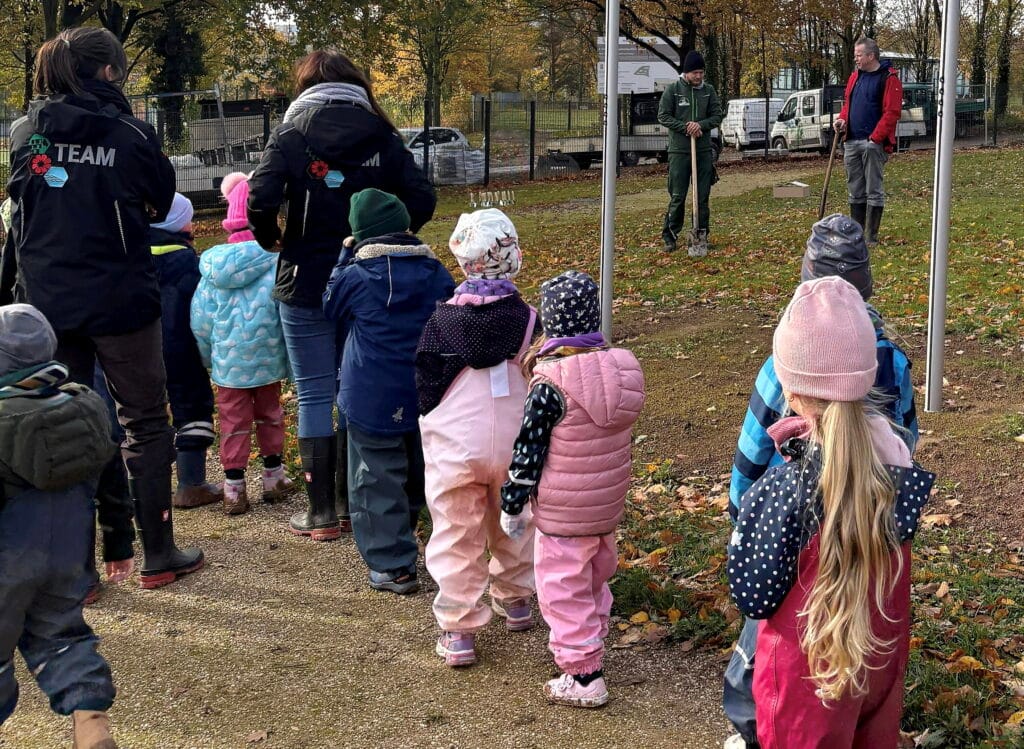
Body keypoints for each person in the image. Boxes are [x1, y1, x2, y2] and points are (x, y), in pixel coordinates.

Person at [2, 27, 203, 589]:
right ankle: (158, 553)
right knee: (145, 419)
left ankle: (79, 570)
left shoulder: (25, 131)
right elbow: (162, 200)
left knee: (61, 421)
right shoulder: (130, 133)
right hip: (121, 297)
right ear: (110, 72)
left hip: (48, 300)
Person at [723, 215, 918, 748]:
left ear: (792, 388)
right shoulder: (902, 470)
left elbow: (754, 593)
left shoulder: (783, 491)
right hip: (876, 627)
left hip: (802, 647)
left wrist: (743, 518)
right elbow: (910, 432)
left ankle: (747, 732)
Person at [248, 49, 436, 541]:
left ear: (305, 86)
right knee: (357, 384)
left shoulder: (290, 134)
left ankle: (321, 513)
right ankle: (357, 502)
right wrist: (393, 238)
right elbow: (423, 197)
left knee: (314, 391)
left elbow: (260, 198)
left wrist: (272, 239)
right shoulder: (382, 135)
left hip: (304, 276)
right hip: (371, 280)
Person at [500, 271, 645, 708]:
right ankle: (592, 638)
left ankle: (584, 676)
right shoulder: (622, 371)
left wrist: (513, 502)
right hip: (605, 504)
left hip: (563, 512)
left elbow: (529, 449)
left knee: (563, 589)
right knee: (595, 577)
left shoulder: (550, 384)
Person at [417, 209, 538, 667]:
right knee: (516, 518)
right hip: (514, 442)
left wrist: (430, 413)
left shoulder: (440, 321)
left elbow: (426, 377)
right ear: (513, 257)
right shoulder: (528, 320)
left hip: (455, 444)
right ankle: (518, 599)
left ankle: (459, 629)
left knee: (455, 532)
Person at [0, 304, 120, 749]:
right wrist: (119, 541)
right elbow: (113, 476)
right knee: (63, 638)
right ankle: (91, 723)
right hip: (68, 551)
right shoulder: (86, 405)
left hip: (8, 558)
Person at [323, 188, 454, 591]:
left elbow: (330, 305)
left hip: (370, 391)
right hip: (424, 386)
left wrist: (344, 256)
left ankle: (392, 562)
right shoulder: (435, 273)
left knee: (375, 476)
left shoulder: (356, 276)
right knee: (416, 465)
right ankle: (409, 533)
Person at [191, 172, 292, 516]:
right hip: (268, 359)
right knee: (270, 415)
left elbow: (201, 320)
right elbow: (285, 313)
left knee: (233, 422)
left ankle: (234, 487)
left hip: (228, 365)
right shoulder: (276, 262)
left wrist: (209, 357)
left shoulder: (213, 268)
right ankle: (274, 476)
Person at [146, 193, 221, 510]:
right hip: (182, 349)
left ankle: (147, 487)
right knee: (191, 407)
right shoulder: (188, 264)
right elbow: (202, 310)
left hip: (137, 350)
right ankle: (191, 484)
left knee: (142, 415)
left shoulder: (130, 256)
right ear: (178, 223)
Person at [834, 37, 904, 247]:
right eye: (855, 55)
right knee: (855, 189)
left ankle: (871, 237)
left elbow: (892, 112)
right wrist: (842, 120)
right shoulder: (855, 77)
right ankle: (857, 235)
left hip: (873, 144)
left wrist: (875, 139)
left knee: (873, 189)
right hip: (851, 141)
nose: (855, 59)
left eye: (859, 55)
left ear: (871, 56)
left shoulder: (889, 78)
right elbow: (848, 105)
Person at [657, 50, 723, 255]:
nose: (699, 76)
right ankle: (670, 236)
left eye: (701, 72)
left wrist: (700, 125)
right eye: (695, 73)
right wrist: (686, 127)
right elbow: (663, 116)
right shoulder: (674, 90)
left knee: (702, 196)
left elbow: (717, 115)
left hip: (702, 151)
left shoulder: (708, 91)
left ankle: (701, 235)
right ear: (686, 72)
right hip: (679, 151)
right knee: (678, 196)